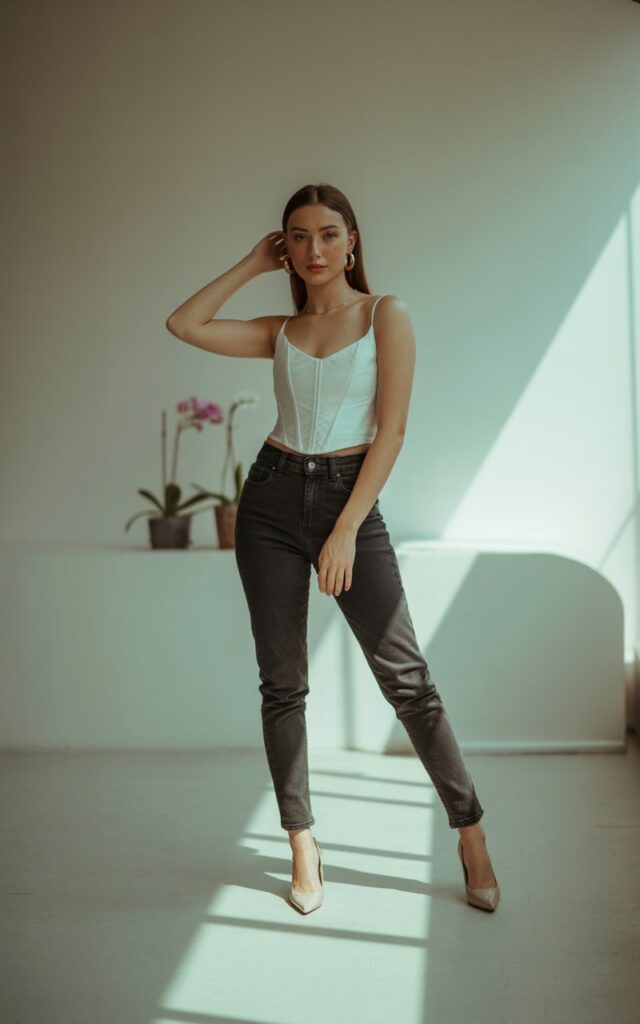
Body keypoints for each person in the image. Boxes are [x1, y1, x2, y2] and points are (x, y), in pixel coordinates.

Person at [165, 182, 500, 915]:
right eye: (298, 236)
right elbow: (183, 324)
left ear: (352, 242)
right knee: (282, 683)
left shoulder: (386, 315)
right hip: (270, 500)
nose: (313, 248)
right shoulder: (280, 330)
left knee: (407, 680)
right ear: (284, 247)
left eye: (327, 233)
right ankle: (302, 840)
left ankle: (469, 829)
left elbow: (392, 432)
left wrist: (346, 527)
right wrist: (252, 263)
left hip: (350, 498)